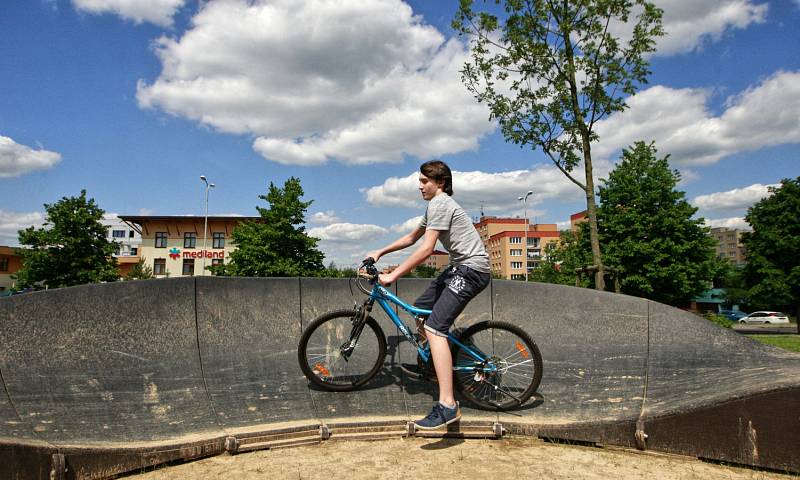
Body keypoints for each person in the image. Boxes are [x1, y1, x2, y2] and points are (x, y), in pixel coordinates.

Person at [365, 160, 490, 430]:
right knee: (419, 310)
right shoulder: (433, 207)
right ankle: (434, 366)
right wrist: (380, 251)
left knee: (434, 328)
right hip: (458, 268)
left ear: (440, 183)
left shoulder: (441, 203)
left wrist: (393, 275)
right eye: (419, 181)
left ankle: (448, 405)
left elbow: (426, 249)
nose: (419, 186)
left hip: (472, 271)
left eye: (424, 181)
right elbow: (412, 238)